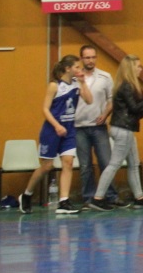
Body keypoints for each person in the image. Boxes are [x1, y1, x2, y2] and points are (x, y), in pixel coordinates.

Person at [19, 55, 93, 215]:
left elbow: (89, 100)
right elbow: (45, 109)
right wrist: (57, 125)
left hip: (69, 129)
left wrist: (83, 83)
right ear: (68, 68)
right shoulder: (54, 85)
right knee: (47, 166)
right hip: (52, 130)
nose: (80, 70)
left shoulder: (76, 84)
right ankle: (27, 194)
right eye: (77, 67)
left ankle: (64, 201)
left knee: (68, 163)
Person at [87, 54, 143, 210]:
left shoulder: (127, 85)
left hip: (125, 128)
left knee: (133, 163)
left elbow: (136, 111)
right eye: (138, 66)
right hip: (123, 129)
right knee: (114, 164)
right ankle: (98, 198)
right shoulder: (127, 86)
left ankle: (139, 197)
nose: (140, 69)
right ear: (131, 68)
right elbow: (135, 108)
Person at [74, 45, 120, 207]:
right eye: (87, 57)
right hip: (78, 127)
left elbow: (111, 99)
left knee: (106, 162)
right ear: (81, 59)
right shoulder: (74, 78)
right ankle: (88, 197)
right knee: (85, 165)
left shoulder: (105, 77)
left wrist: (105, 114)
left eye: (93, 57)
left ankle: (111, 195)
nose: (91, 60)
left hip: (99, 126)